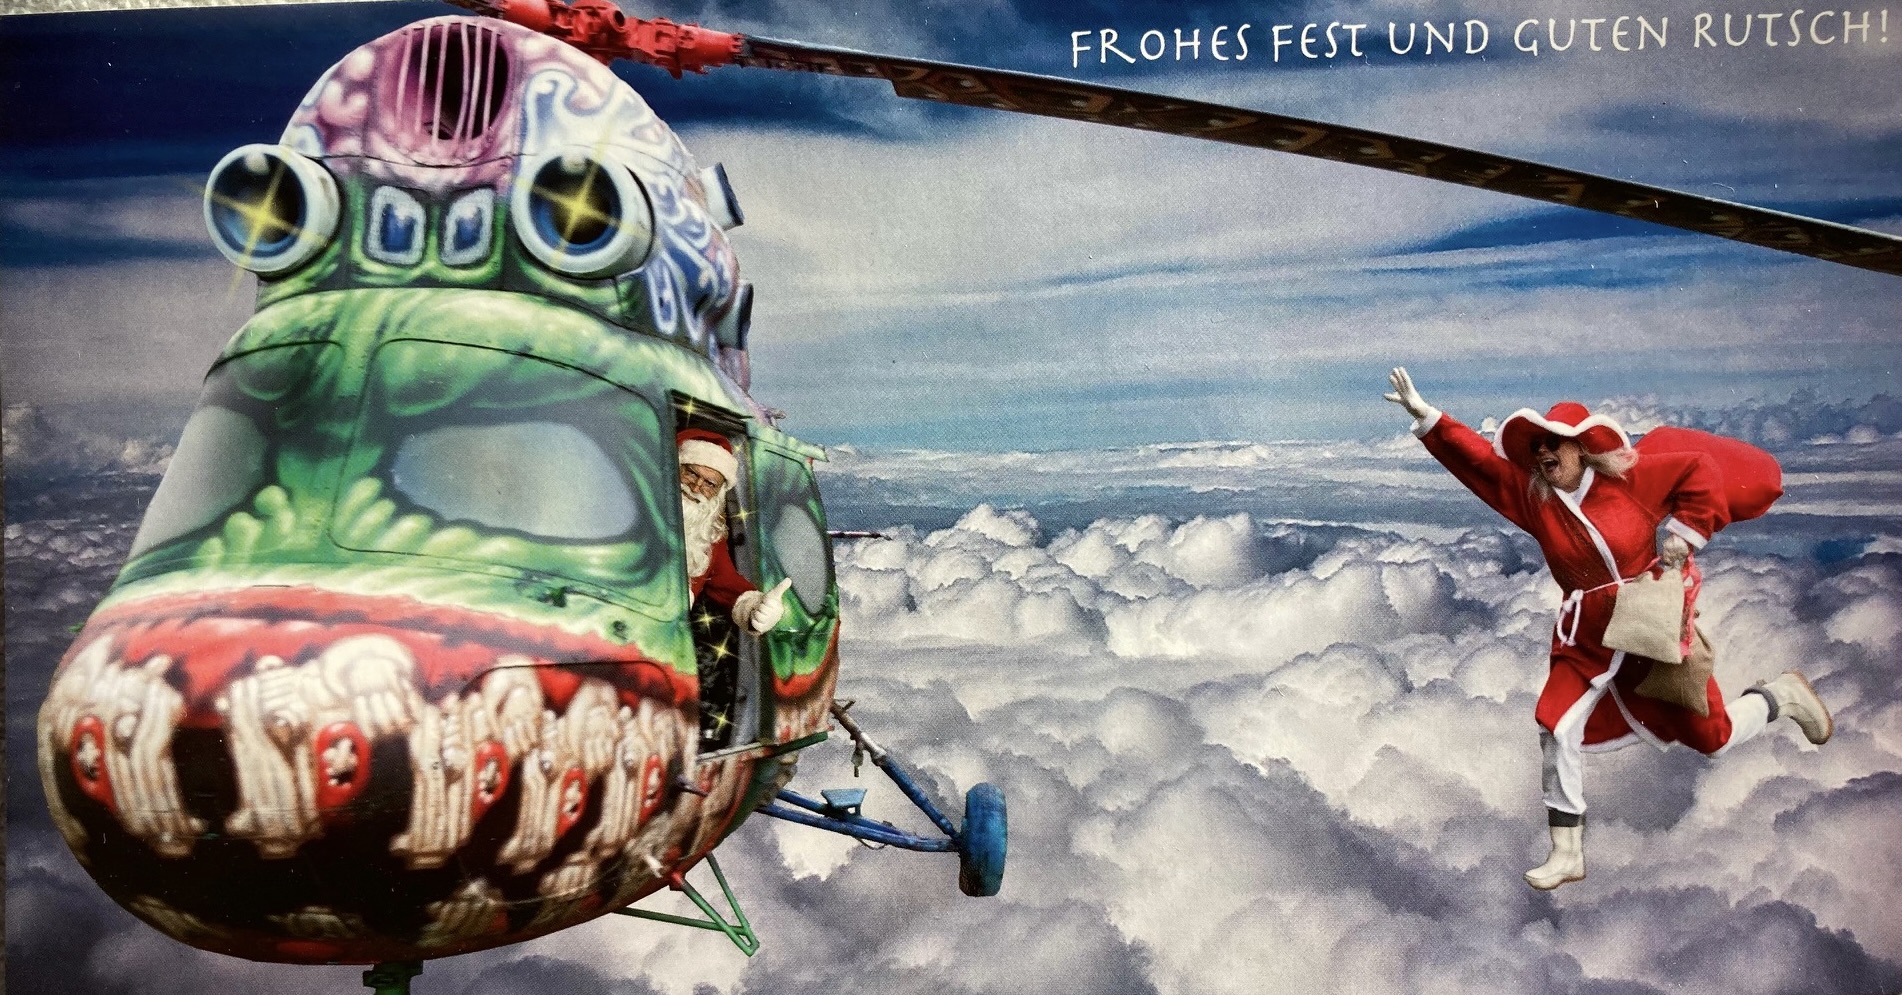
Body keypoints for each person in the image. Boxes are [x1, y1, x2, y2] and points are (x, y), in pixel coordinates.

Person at [1383, 367, 1832, 890]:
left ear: (1581, 447)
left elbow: (1700, 469)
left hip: (1650, 630)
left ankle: (1781, 696)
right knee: (1554, 724)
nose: (1544, 452)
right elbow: (1480, 462)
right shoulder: (1535, 499)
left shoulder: (1631, 481)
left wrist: (1685, 534)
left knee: (1713, 738)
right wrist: (1431, 420)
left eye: (1554, 443)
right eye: (1537, 445)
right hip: (1585, 638)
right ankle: (1566, 851)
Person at [676, 429, 790, 635]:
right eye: (691, 473)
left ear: (718, 493)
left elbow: (727, 582)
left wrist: (755, 608)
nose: (696, 487)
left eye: (710, 483)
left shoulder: (707, 537)